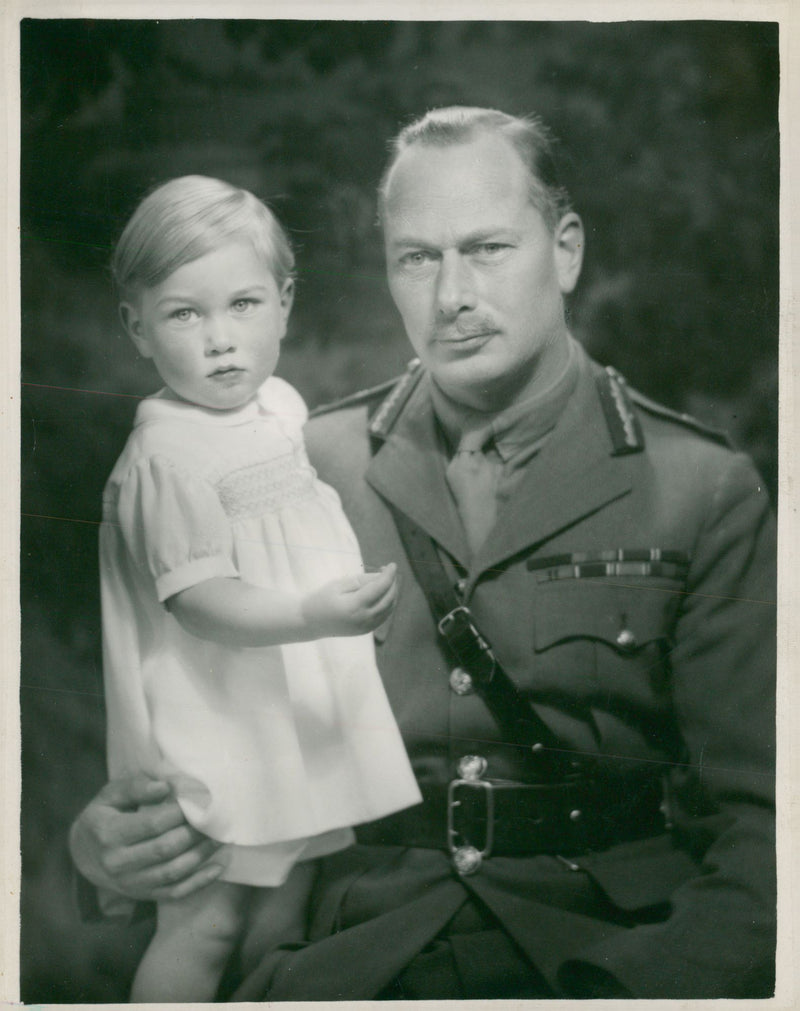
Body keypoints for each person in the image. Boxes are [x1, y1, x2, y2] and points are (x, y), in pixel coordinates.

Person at [69, 108, 776, 999]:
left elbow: (769, 833)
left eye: (486, 249)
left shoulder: (699, 488)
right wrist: (108, 860)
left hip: (595, 959)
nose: (451, 296)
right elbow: (195, 714)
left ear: (565, 250)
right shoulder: (293, 471)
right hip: (339, 965)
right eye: (417, 257)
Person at [90, 174, 421, 1002]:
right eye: (184, 314)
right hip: (218, 720)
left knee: (285, 915)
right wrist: (314, 613)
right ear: (137, 327)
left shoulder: (277, 408)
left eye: (242, 305)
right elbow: (202, 602)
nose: (219, 340)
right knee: (205, 923)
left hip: (287, 720)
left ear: (283, 303)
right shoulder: (169, 457)